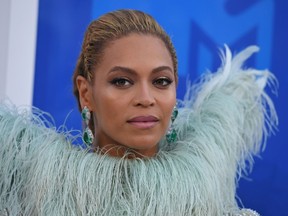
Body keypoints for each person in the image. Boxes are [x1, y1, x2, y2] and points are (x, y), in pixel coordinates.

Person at [0, 9, 277, 216]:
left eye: (161, 81)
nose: (146, 99)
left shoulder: (211, 201)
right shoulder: (35, 193)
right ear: (86, 93)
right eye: (122, 81)